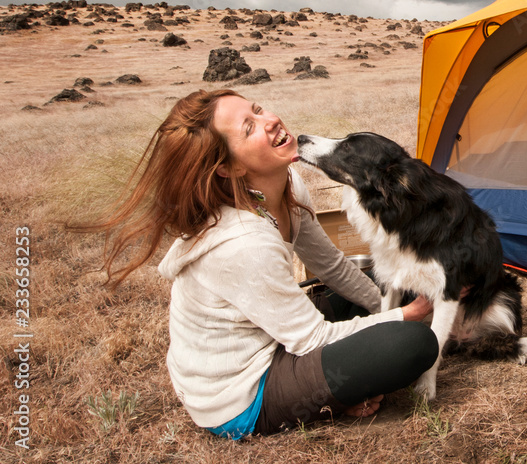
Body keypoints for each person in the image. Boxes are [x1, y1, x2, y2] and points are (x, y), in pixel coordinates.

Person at [81, 89, 439, 439]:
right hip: (242, 393)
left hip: (272, 338)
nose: (269, 121)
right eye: (249, 127)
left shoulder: (289, 184)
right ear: (228, 167)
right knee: (412, 344)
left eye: (258, 109)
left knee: (375, 287)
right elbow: (312, 339)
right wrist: (408, 314)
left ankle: (344, 377)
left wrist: (384, 305)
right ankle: (328, 400)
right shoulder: (244, 243)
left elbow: (331, 266)